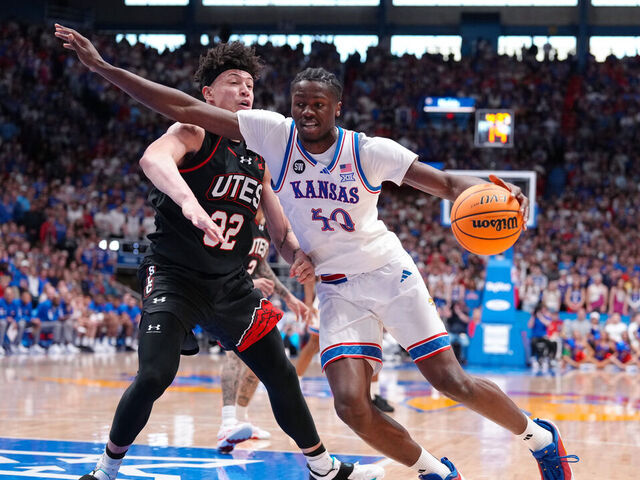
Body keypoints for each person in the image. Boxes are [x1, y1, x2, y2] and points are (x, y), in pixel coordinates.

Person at [54, 25, 579, 480]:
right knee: (352, 407)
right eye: (299, 102)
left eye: (317, 105)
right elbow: (182, 105)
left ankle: (539, 439)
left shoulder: (369, 150)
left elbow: (444, 184)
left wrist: (499, 194)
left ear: (336, 109)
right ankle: (434, 470)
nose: (306, 111)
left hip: (386, 271)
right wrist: (103, 67)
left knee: (449, 380)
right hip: (335, 287)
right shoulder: (273, 137)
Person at [55, 33, 383, 480]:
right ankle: (105, 470)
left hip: (230, 287)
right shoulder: (191, 130)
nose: (246, 89)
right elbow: (154, 160)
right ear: (208, 94)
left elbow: (280, 229)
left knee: (281, 373)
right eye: (234, 81)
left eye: (250, 82)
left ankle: (323, 468)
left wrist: (297, 254)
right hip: (175, 277)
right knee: (154, 375)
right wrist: (189, 204)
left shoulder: (260, 154)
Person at [216, 206, 308, 452]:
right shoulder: (239, 219)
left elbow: (262, 267)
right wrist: (248, 282)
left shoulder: (263, 229)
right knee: (234, 356)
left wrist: (289, 297)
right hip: (224, 295)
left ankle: (242, 420)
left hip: (245, 295)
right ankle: (227, 423)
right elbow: (220, 260)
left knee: (260, 361)